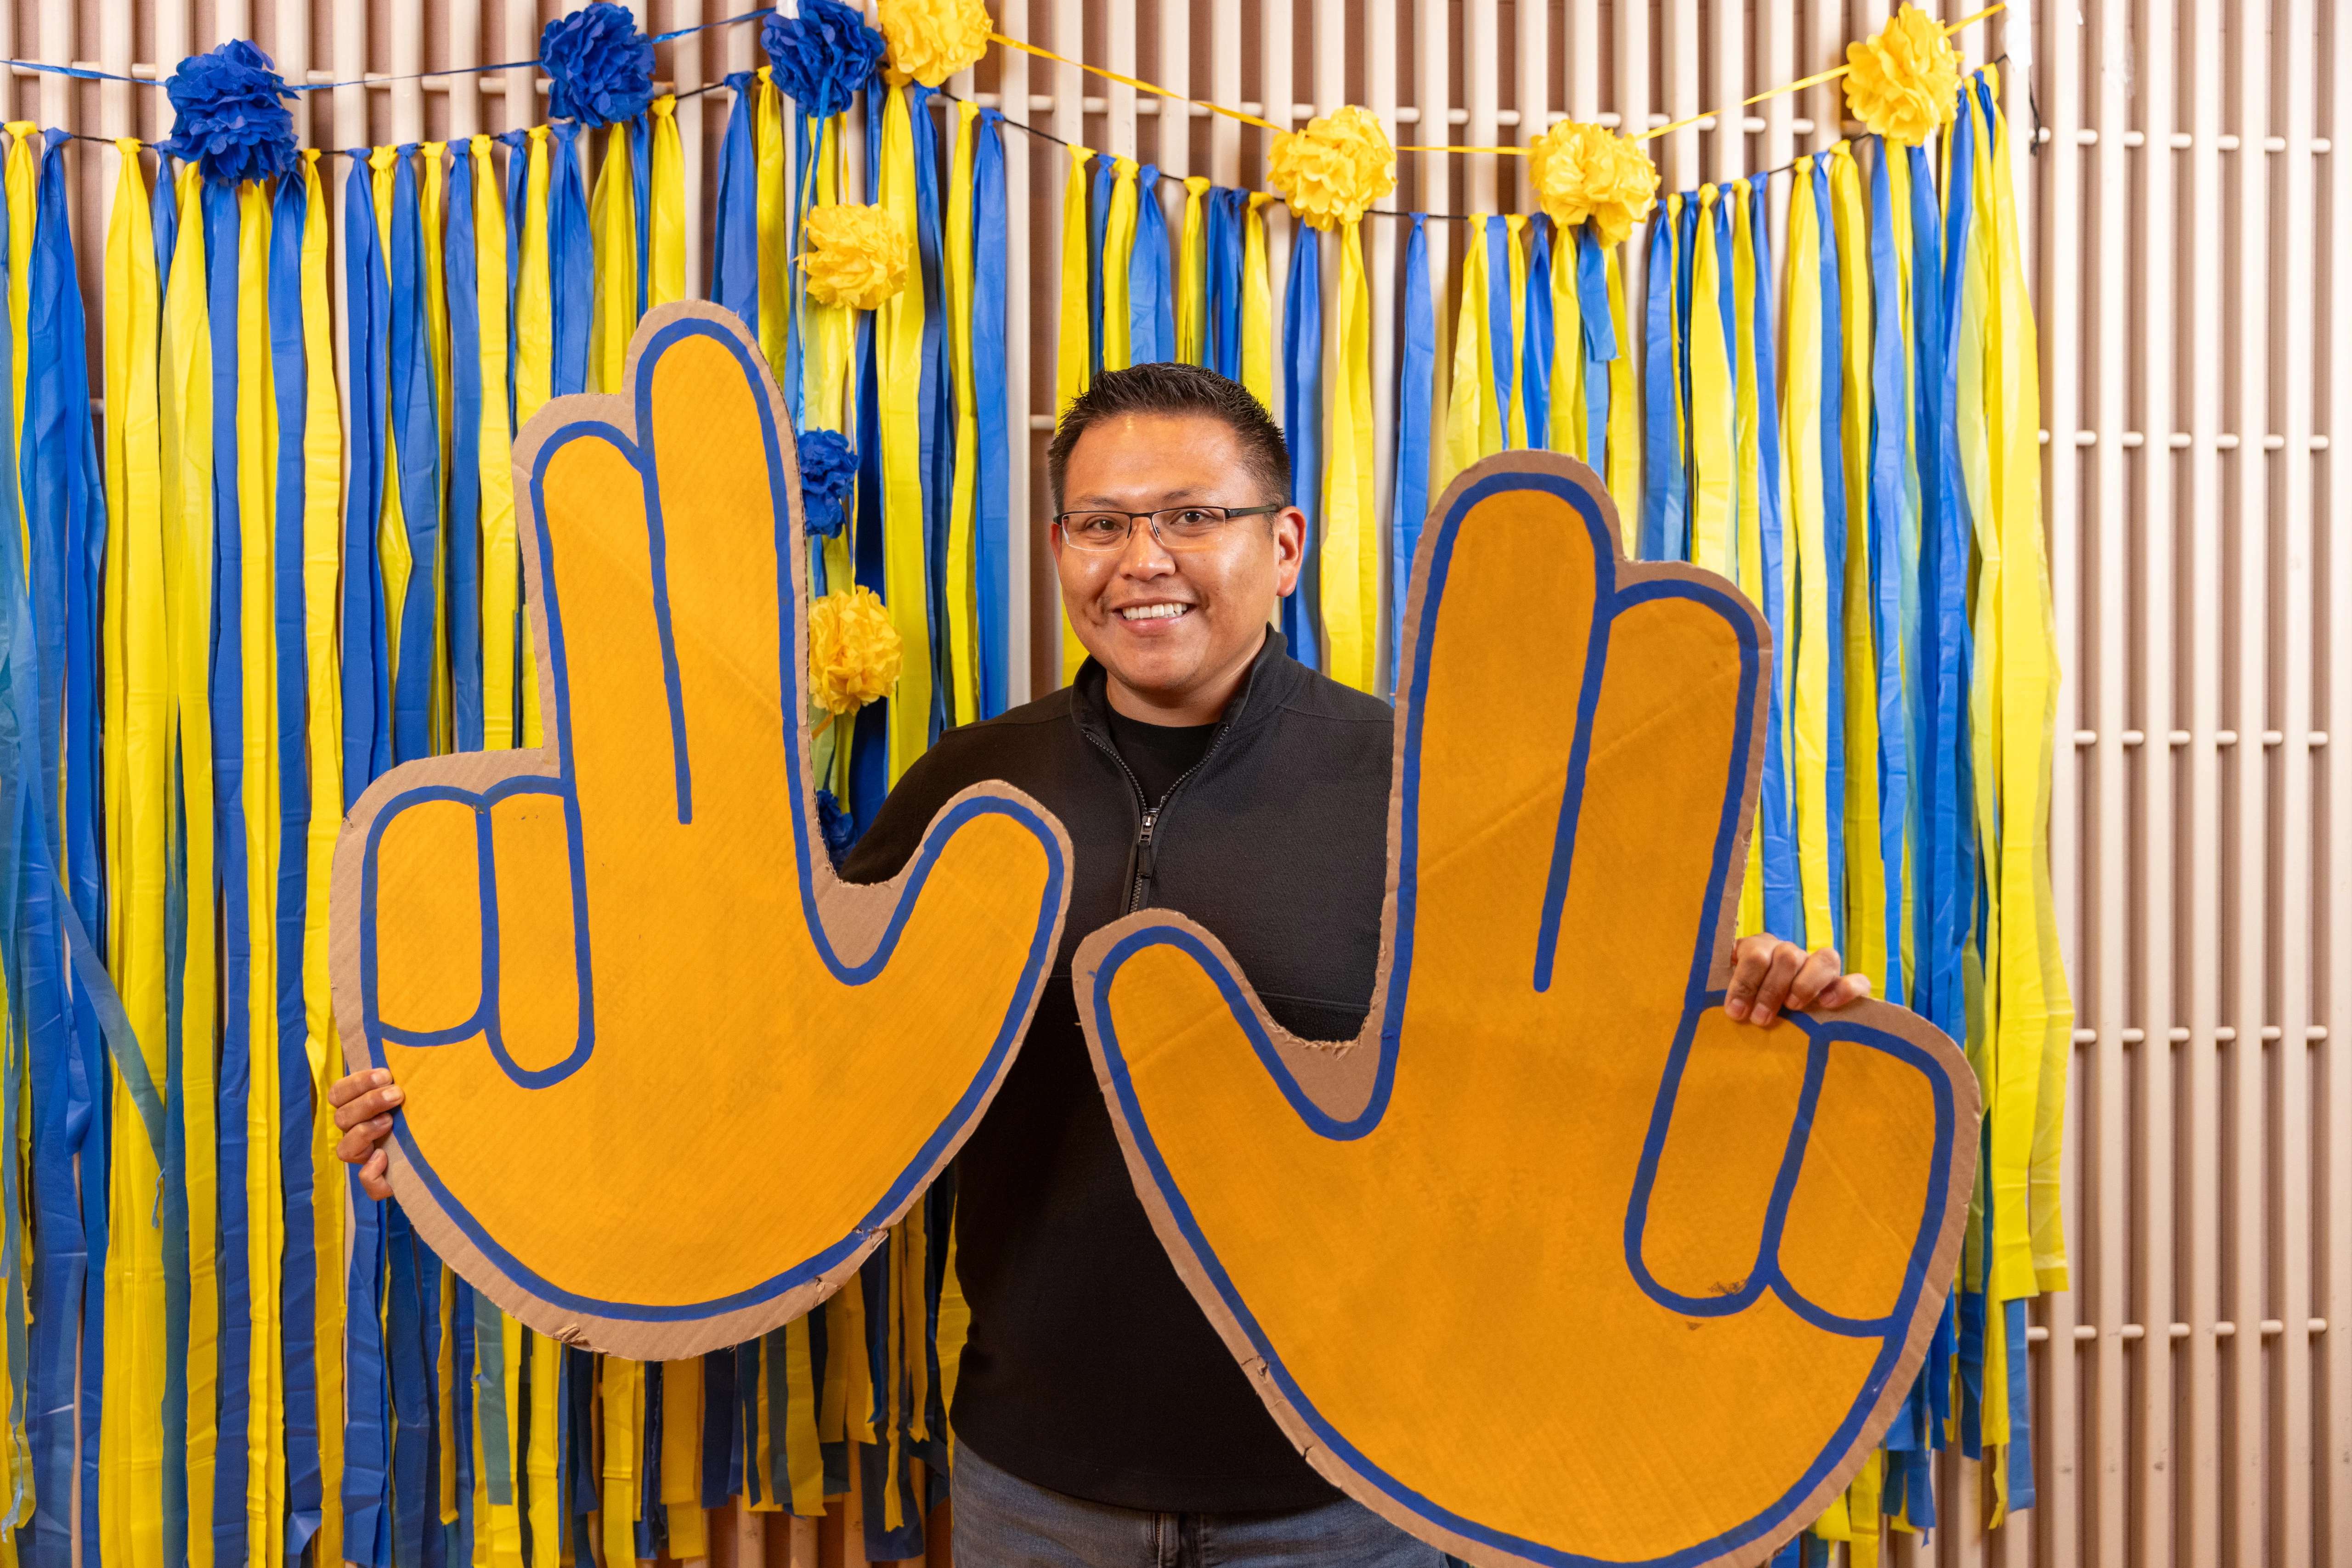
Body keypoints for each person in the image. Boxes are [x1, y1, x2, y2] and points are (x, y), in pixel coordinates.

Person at [332, 362, 1871, 1567]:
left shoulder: (1434, 792)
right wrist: (466, 1136)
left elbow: (1579, 1077)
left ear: (1283, 545)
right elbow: (780, 1076)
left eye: (1192, 517)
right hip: (1034, 1484)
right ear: (1061, 546)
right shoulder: (969, 788)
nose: (1145, 559)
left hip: (1355, 1494)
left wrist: (1748, 1006)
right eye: (1102, 521)